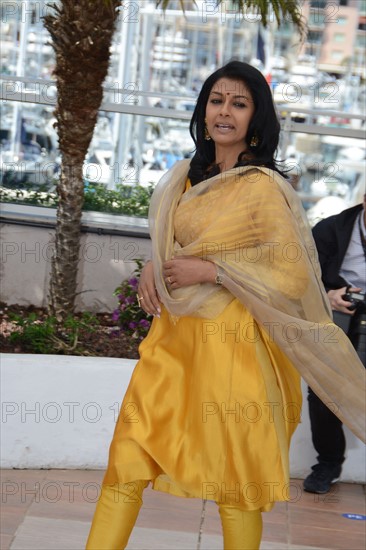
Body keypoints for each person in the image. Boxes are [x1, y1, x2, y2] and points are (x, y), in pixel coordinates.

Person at [86, 61, 365, 550]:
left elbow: (291, 275)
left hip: (233, 350)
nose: (225, 112)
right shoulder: (184, 177)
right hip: (173, 345)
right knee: (126, 459)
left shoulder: (263, 188)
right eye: (217, 100)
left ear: (255, 118)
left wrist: (214, 271)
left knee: (236, 483)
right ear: (203, 108)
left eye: (239, 103)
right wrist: (156, 264)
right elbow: (173, 245)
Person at [303, 197, 366, 495]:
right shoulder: (330, 229)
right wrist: (328, 294)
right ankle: (328, 463)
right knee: (323, 388)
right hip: (337, 316)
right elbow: (301, 277)